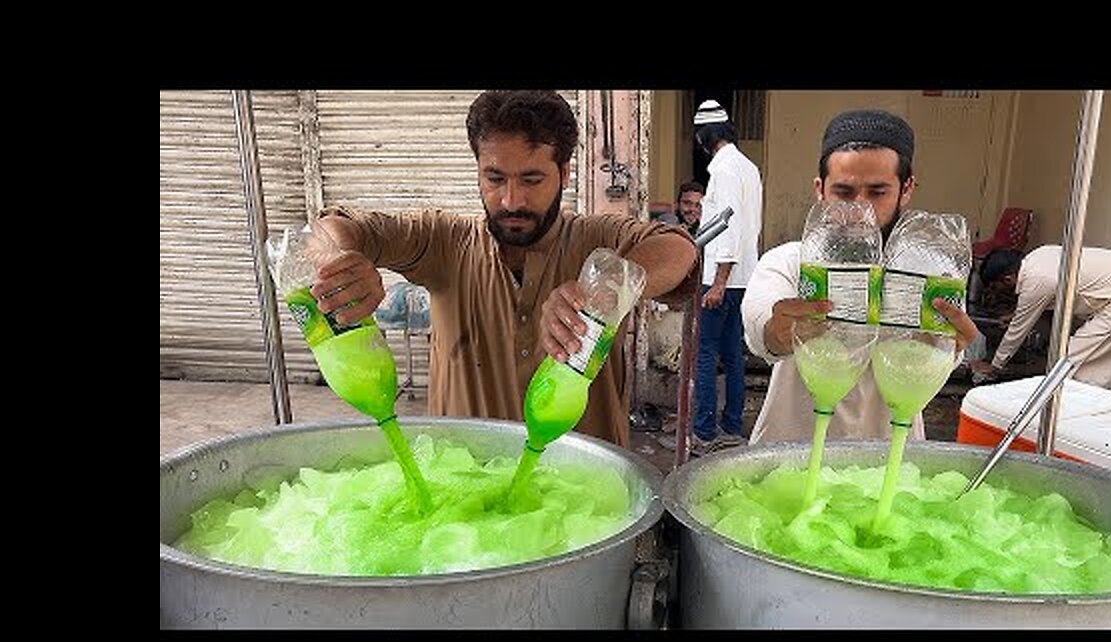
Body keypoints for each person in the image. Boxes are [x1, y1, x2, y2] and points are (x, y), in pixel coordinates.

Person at [309, 90, 698, 449]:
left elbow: (678, 250)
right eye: (495, 178)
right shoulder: (443, 241)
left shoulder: (596, 239)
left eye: (532, 179)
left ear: (564, 173)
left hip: (585, 496)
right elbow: (337, 227)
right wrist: (341, 260)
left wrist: (608, 288)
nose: (512, 200)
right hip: (462, 494)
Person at [742, 109, 979, 444]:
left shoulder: (930, 278)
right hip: (788, 463)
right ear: (820, 189)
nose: (861, 211)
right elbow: (761, 326)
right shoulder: (788, 263)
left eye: (877, 192)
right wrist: (779, 331)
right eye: (844, 192)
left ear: (906, 189)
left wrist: (948, 348)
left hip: (890, 468)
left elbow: (936, 356)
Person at [690, 100, 762, 454]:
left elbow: (729, 226)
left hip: (723, 278)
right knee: (733, 355)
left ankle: (704, 432)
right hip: (744, 278)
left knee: (705, 355)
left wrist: (718, 282)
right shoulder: (748, 167)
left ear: (705, 138)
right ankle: (732, 425)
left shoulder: (725, 170)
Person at [971, 245, 1111, 390]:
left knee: (1071, 355)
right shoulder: (1037, 256)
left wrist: (995, 366)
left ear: (1008, 279)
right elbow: (1047, 299)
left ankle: (1065, 396)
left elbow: (1016, 332)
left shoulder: (1035, 282)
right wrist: (1016, 316)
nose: (997, 292)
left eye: (995, 287)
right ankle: (1096, 391)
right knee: (1101, 354)